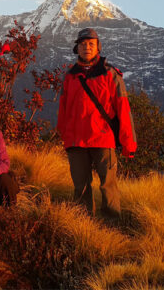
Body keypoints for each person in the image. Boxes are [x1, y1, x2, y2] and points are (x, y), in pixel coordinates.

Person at [56, 28, 137, 217]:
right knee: (80, 187)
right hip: (76, 141)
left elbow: (123, 108)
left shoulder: (110, 74)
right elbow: (63, 110)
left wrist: (129, 142)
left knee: (108, 186)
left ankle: (112, 227)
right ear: (77, 48)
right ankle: (84, 227)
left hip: (103, 139)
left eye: (91, 44)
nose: (87, 47)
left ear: (98, 47)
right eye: (83, 44)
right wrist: (64, 135)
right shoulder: (70, 77)